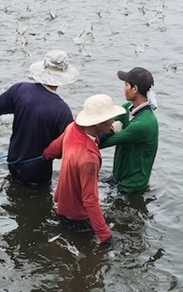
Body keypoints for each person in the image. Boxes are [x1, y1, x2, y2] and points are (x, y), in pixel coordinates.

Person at [0, 50, 79, 187]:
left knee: (13, 192)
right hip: (38, 172)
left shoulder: (20, 90)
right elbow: (66, 149)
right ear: (63, 77)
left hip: (13, 162)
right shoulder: (62, 110)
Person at [43, 94, 126, 245]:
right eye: (110, 119)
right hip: (79, 218)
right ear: (98, 123)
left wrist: (45, 156)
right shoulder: (89, 159)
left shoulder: (72, 129)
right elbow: (91, 201)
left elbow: (54, 148)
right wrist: (106, 237)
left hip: (62, 207)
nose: (113, 121)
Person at [99, 67, 159, 193]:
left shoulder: (144, 123)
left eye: (126, 85)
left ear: (135, 89)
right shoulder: (127, 108)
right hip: (118, 176)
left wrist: (80, 139)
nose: (124, 89)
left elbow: (103, 142)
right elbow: (105, 124)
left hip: (132, 184)